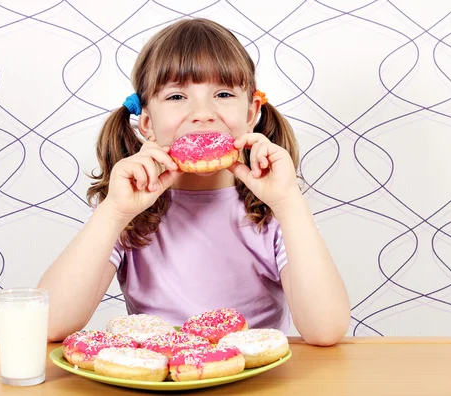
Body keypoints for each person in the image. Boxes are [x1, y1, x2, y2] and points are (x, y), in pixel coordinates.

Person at [39, 18, 350, 346]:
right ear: (146, 122)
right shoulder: (129, 211)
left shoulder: (273, 209)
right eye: (176, 97)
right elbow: (48, 324)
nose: (202, 113)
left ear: (250, 113)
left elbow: (325, 329)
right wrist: (114, 212)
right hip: (160, 378)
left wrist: (288, 203)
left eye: (223, 93)